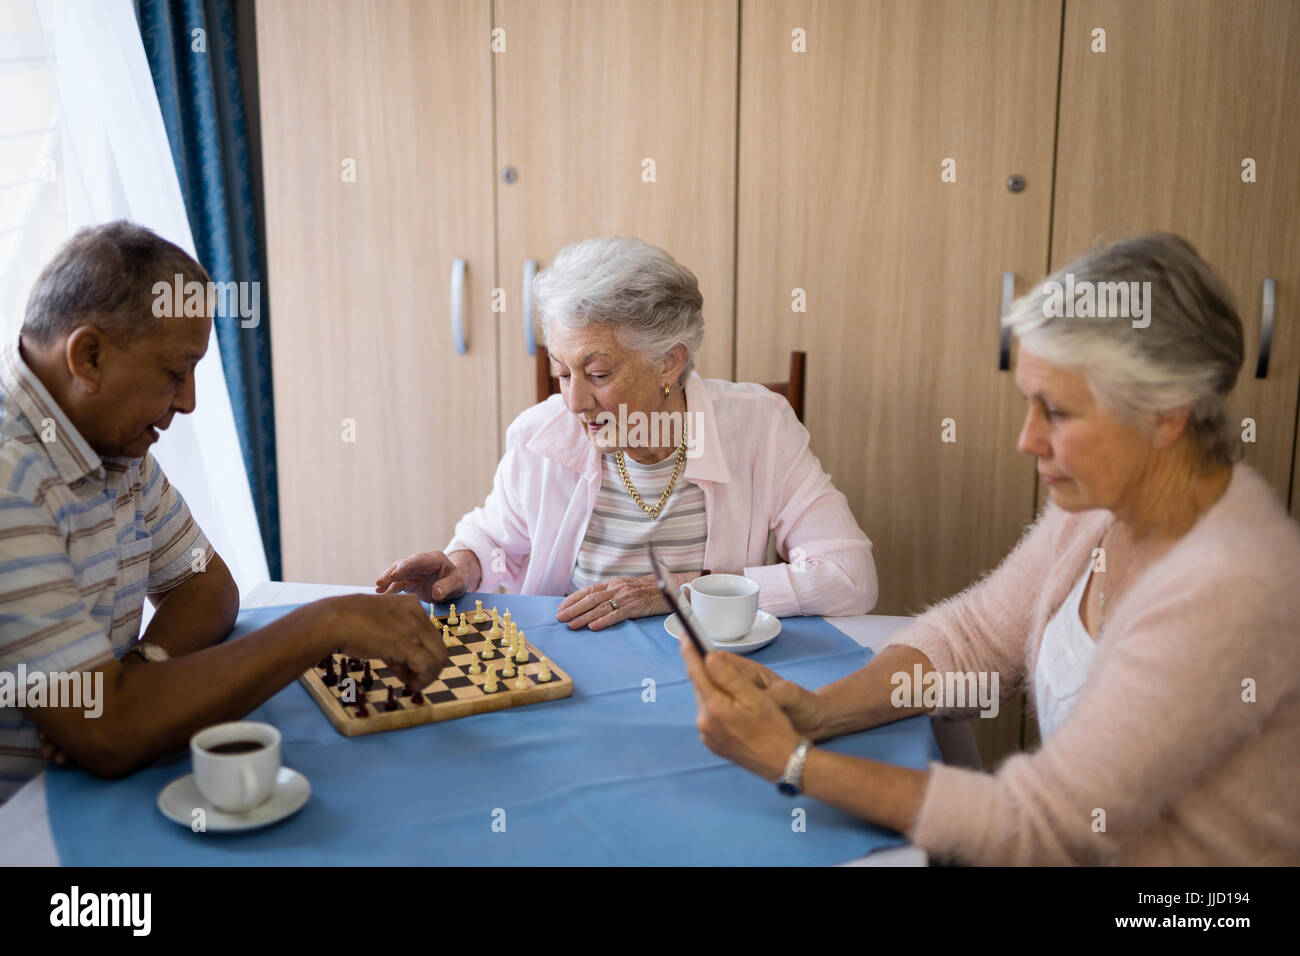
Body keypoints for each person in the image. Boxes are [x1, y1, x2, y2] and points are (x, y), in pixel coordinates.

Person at [680, 233, 1300, 864]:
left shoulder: (1229, 585)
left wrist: (793, 760)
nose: (1027, 440)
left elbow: (1043, 826)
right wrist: (815, 711)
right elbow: (972, 640)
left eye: (1056, 411)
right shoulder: (1101, 504)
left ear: (1167, 414)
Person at [0, 222, 447, 804]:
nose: (188, 402)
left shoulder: (107, 442)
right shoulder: (12, 479)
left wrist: (140, 668)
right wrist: (322, 625)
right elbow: (110, 733)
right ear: (88, 355)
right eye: (173, 373)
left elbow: (206, 585)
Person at [377, 237, 876, 629]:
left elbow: (849, 579)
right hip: (569, 666)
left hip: (709, 672)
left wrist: (677, 591)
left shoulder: (760, 426)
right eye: (562, 372)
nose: (574, 403)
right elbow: (493, 537)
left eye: (597, 375)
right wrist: (458, 566)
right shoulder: (540, 434)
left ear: (669, 362)